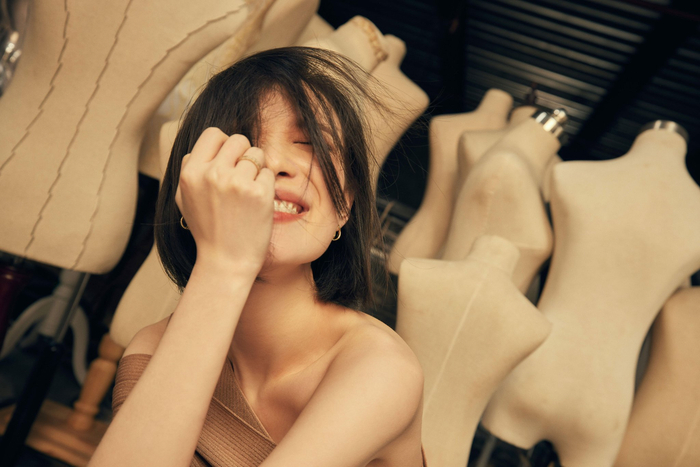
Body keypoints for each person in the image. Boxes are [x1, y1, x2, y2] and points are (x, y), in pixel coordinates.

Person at [89, 47, 425, 467]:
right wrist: (223, 263)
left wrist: (227, 263)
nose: (274, 162)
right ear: (192, 193)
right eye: (242, 142)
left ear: (346, 207)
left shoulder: (379, 369)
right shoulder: (153, 347)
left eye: (311, 143)